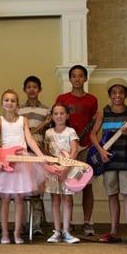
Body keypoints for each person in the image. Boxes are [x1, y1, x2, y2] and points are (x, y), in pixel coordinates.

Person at [0, 90, 48, 244]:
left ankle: (17, 233)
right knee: (5, 198)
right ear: (2, 103)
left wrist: (40, 155)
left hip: (22, 160)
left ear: (17, 104)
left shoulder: (23, 120)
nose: (9, 103)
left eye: (13, 100)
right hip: (5, 162)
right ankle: (5, 233)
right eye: (6, 100)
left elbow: (29, 138)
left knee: (19, 198)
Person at [90, 78, 127, 246]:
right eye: (114, 93)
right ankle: (114, 231)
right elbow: (92, 134)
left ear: (126, 94)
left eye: (121, 92)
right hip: (108, 161)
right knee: (112, 196)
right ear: (109, 95)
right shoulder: (103, 112)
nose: (117, 95)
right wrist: (101, 151)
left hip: (126, 159)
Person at [55, 65, 98, 236]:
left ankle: (87, 222)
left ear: (85, 78)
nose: (77, 79)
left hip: (86, 147)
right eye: (73, 76)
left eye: (81, 76)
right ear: (70, 79)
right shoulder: (62, 98)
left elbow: (95, 122)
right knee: (67, 185)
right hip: (67, 150)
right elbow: (57, 119)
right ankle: (68, 222)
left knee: (87, 185)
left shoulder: (92, 100)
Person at [44, 104, 81, 244]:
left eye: (62, 113)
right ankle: (57, 231)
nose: (59, 116)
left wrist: (65, 169)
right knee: (55, 200)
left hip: (69, 170)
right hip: (54, 170)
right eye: (56, 113)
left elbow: (74, 151)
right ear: (52, 116)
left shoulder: (71, 131)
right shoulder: (48, 133)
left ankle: (66, 231)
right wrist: (50, 166)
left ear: (67, 115)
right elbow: (47, 152)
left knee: (67, 199)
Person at [19, 75, 50, 236]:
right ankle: (25, 224)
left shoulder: (47, 110)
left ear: (39, 90)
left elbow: (49, 133)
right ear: (25, 90)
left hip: (39, 154)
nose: (32, 89)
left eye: (35, 87)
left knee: (38, 190)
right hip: (24, 155)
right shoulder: (19, 110)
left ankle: (36, 224)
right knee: (24, 190)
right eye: (29, 87)